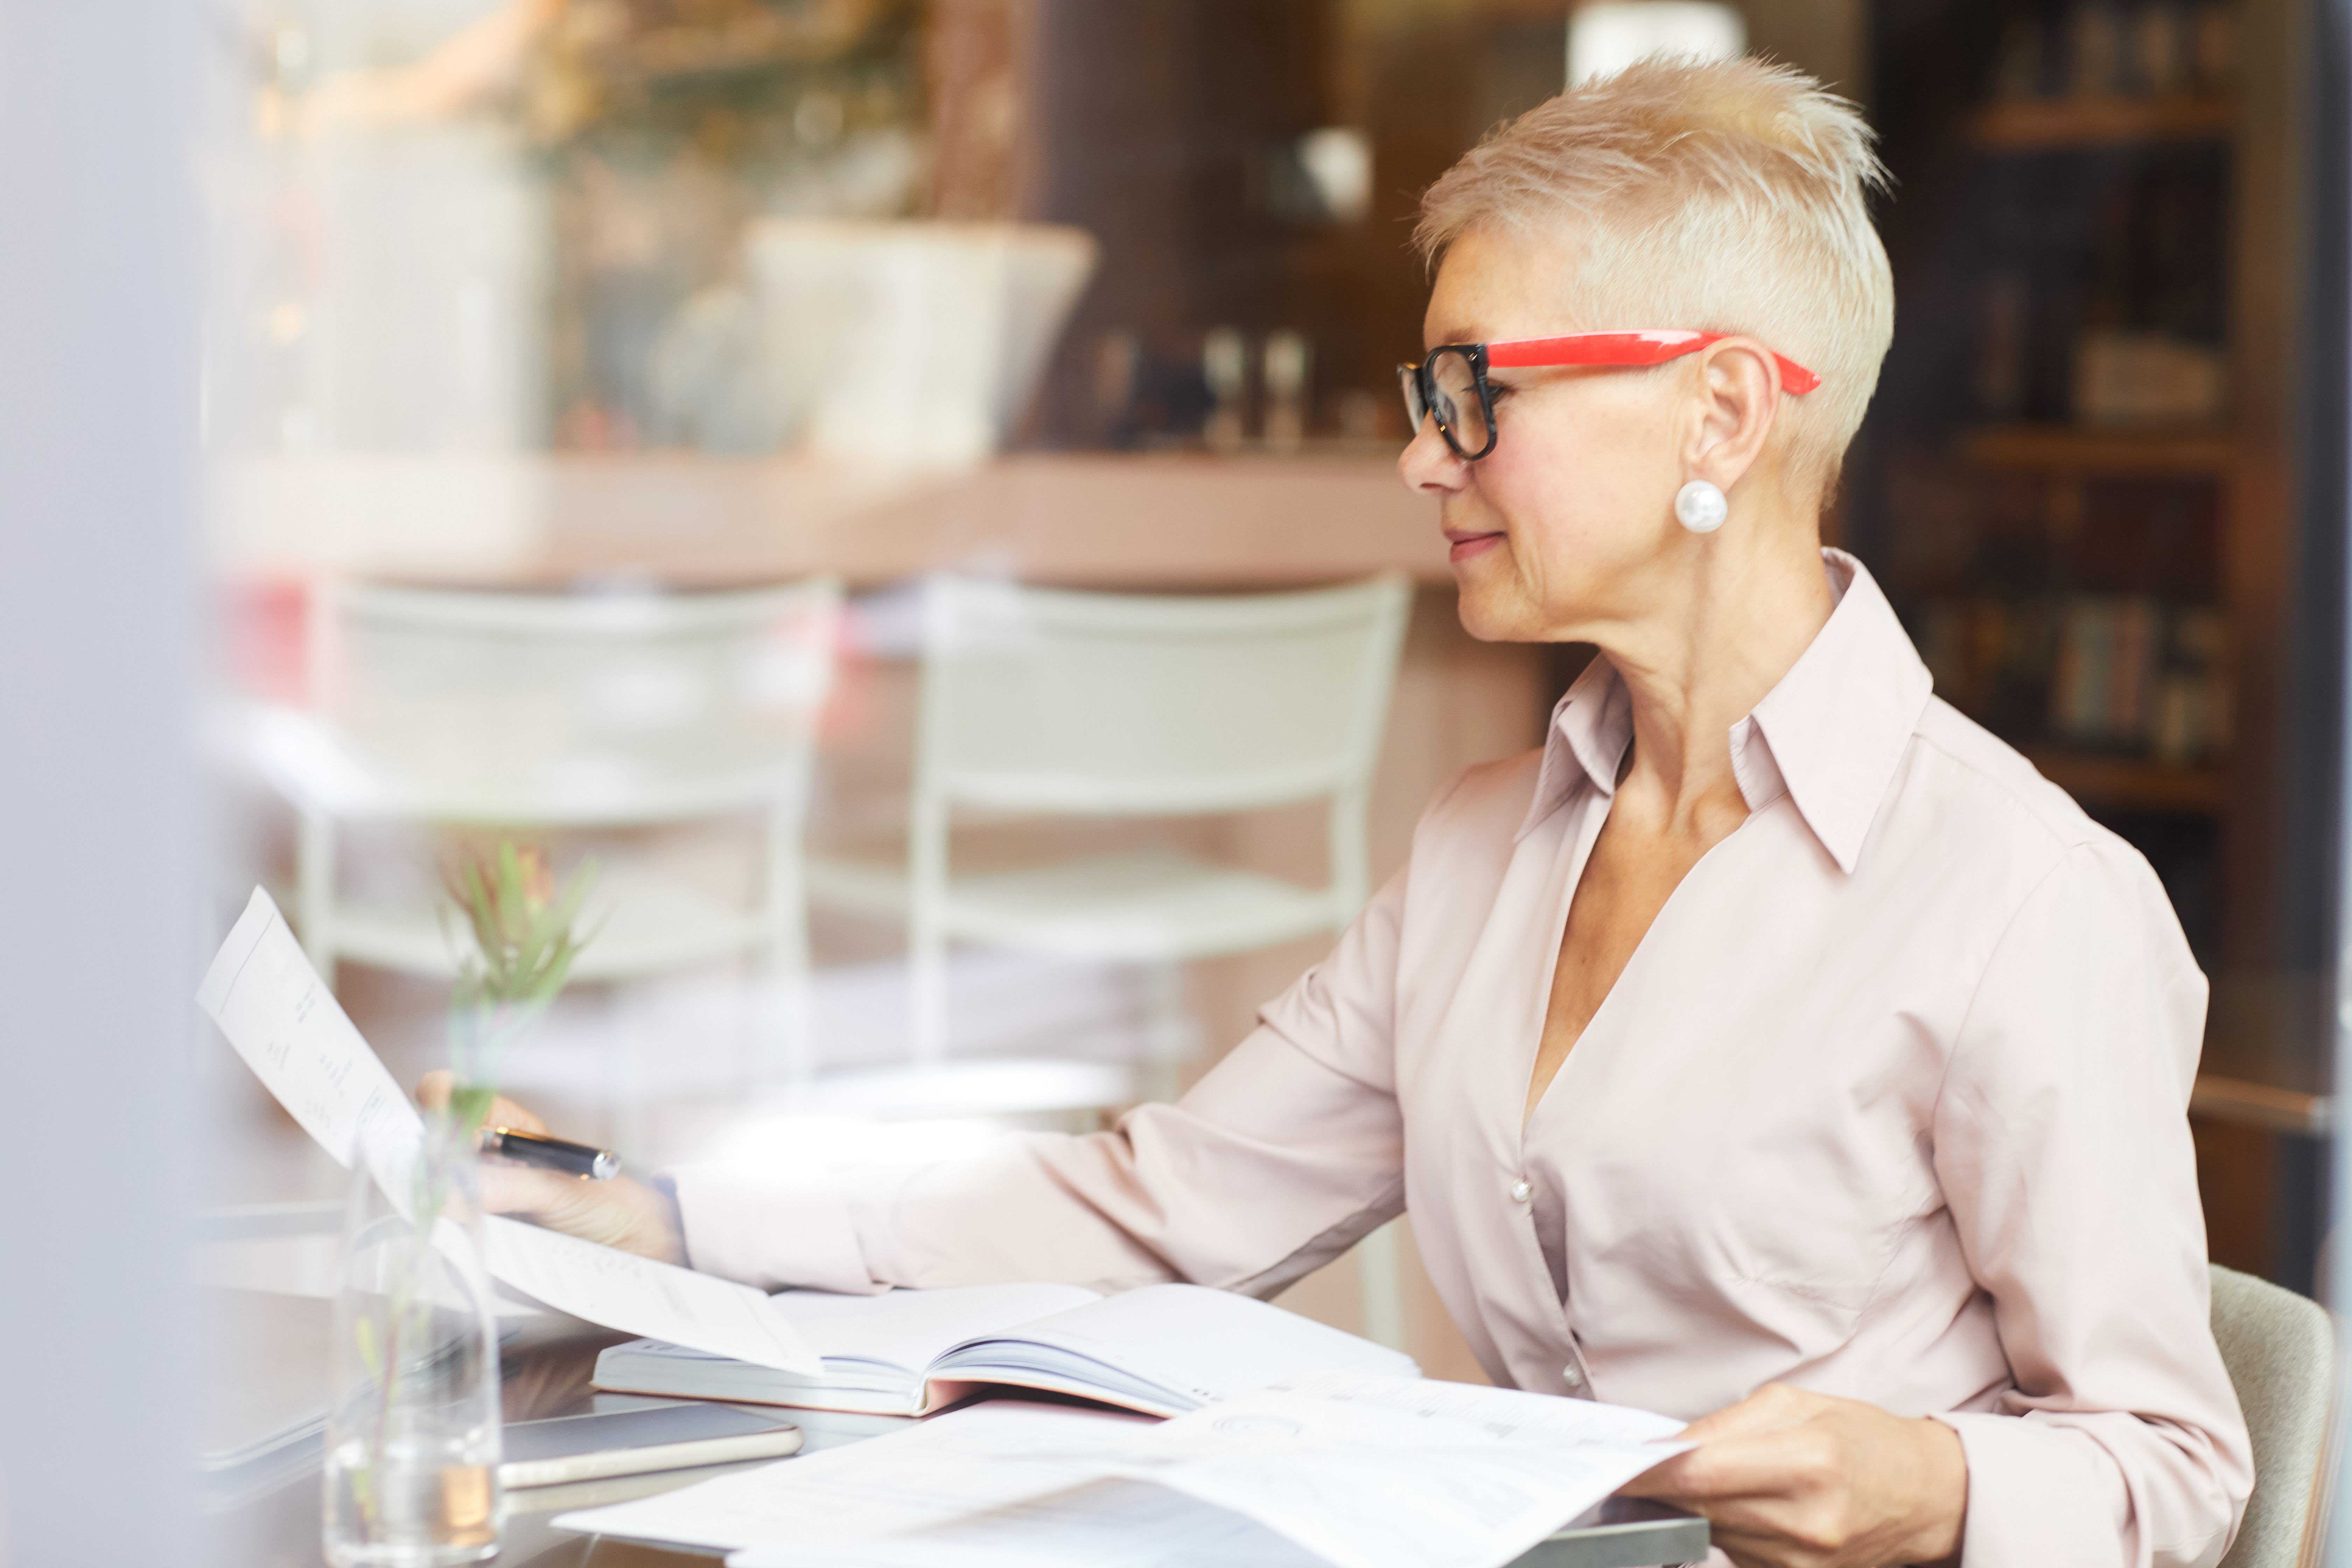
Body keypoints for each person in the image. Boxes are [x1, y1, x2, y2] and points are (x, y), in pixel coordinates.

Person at [429, 57, 2252, 1568]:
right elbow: (1152, 1209)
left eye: (1476, 391)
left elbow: (2181, 1467)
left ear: (1717, 417)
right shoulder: (1485, 845)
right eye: (1421, 391)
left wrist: (1934, 1487)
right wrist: (661, 1216)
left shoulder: (2022, 897)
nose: (1421, 451)